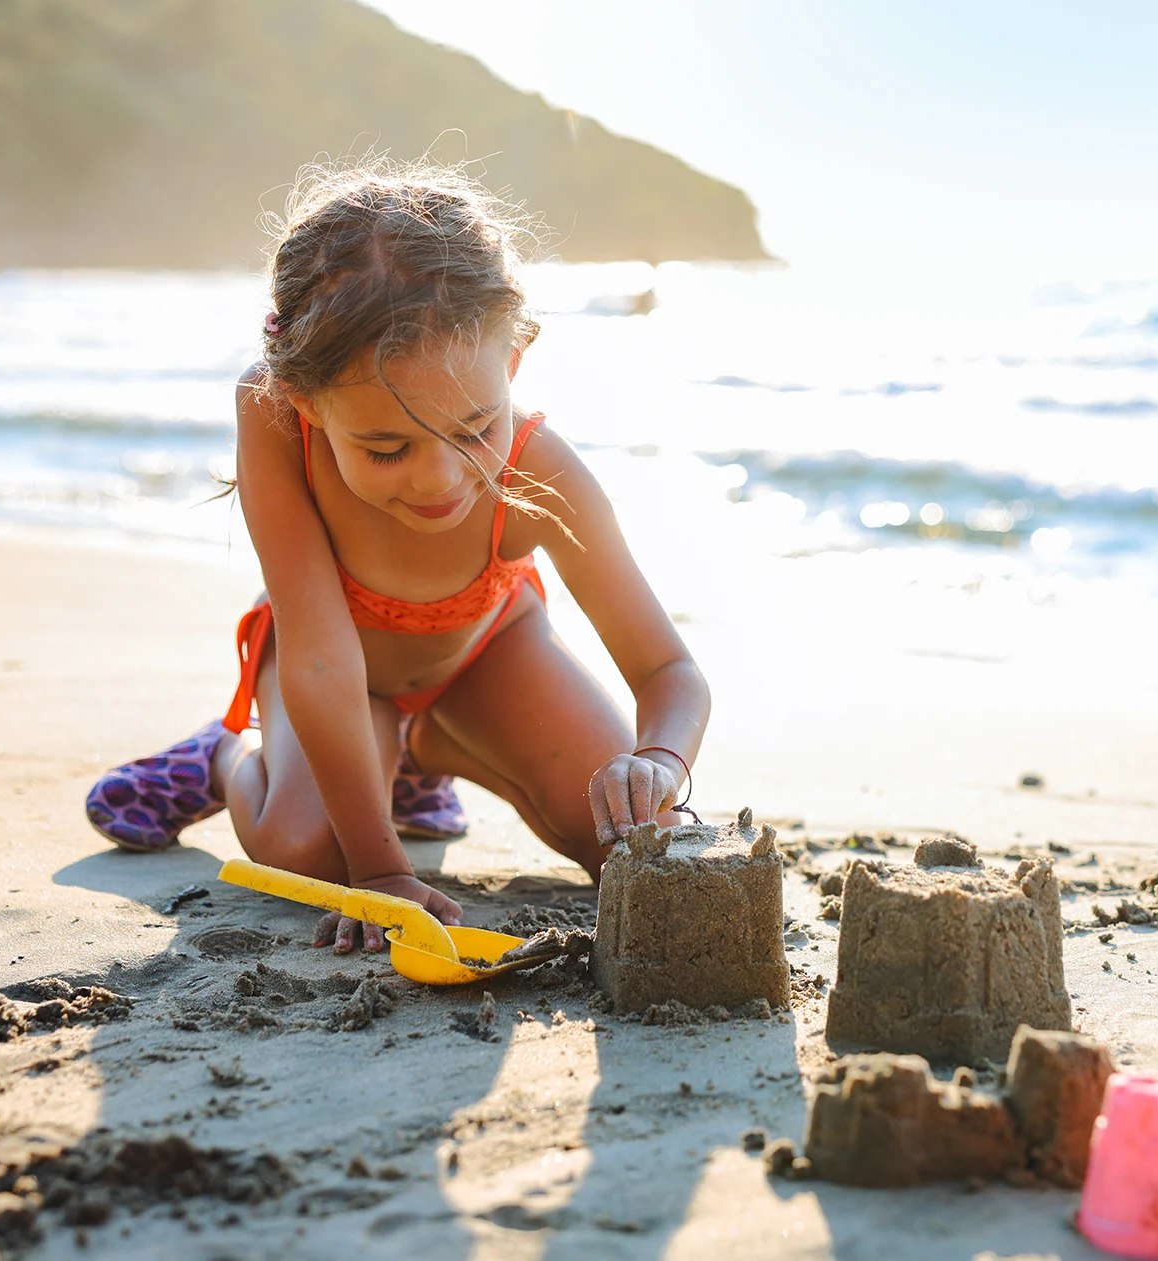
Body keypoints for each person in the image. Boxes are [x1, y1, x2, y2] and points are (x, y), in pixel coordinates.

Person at [84, 159, 708, 952]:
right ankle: (222, 757)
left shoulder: (540, 466)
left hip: (482, 654)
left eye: (475, 428)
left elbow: (669, 672)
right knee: (312, 851)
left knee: (627, 831)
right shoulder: (273, 417)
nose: (442, 478)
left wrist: (655, 759)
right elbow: (320, 661)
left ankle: (424, 753)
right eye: (386, 449)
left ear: (512, 361)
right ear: (303, 399)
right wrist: (379, 873)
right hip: (329, 663)